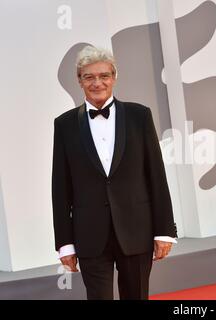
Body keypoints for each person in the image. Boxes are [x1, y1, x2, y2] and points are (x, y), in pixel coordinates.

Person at [52, 45, 177, 300]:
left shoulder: (139, 116)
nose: (97, 82)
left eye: (104, 76)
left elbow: (156, 175)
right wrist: (65, 244)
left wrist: (164, 230)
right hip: (89, 235)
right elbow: (60, 188)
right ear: (79, 81)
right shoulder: (64, 125)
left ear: (114, 77)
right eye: (89, 77)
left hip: (136, 230)